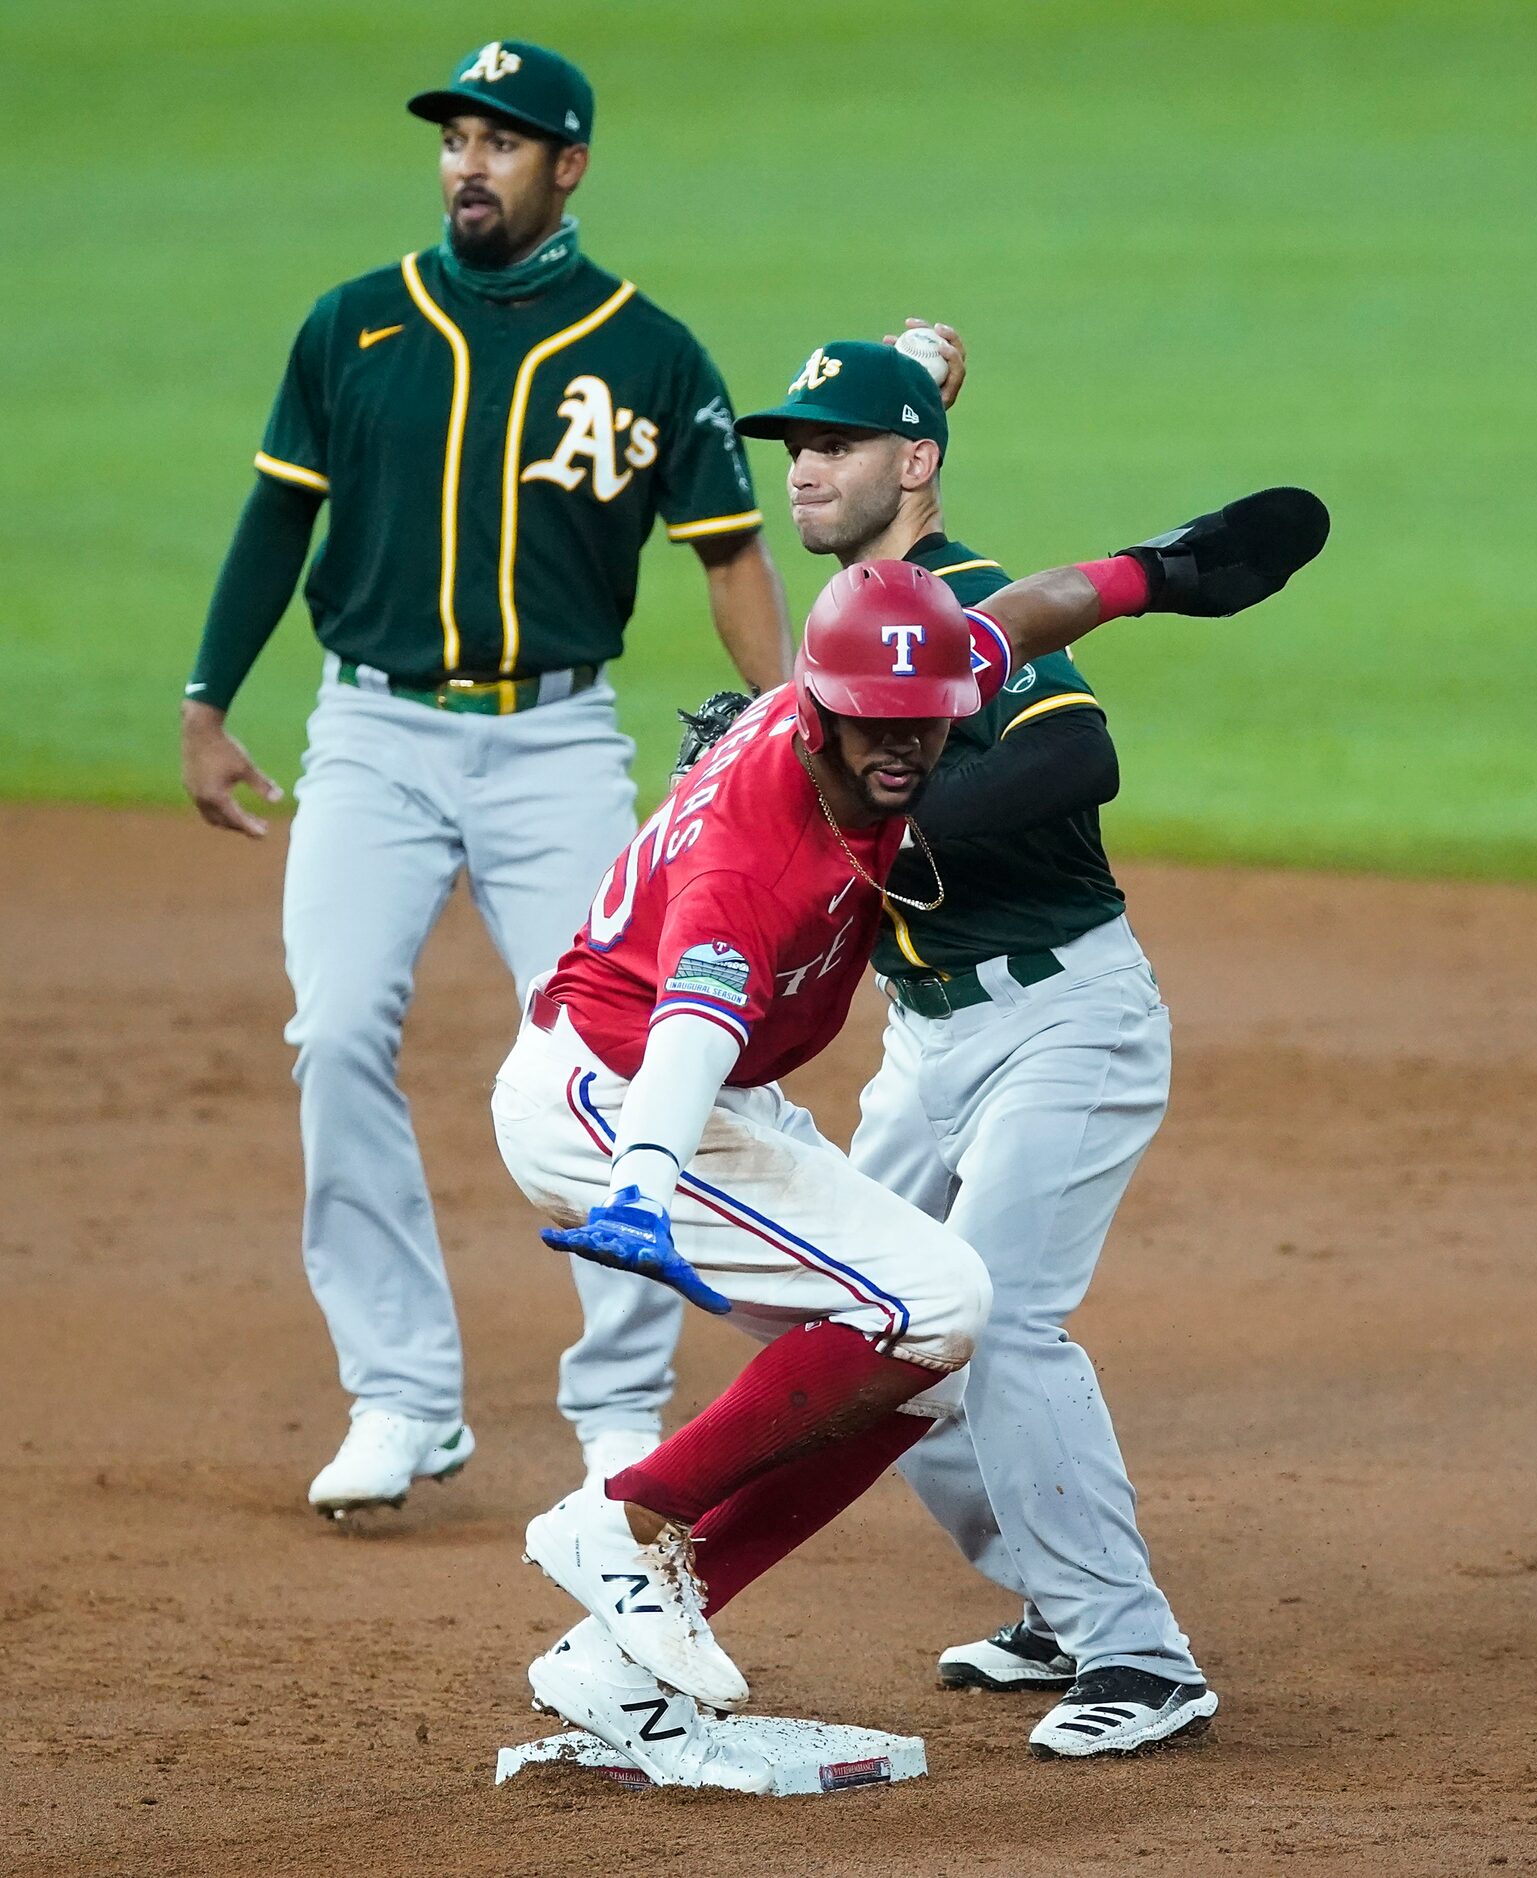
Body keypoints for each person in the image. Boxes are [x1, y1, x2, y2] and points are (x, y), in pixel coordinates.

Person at [493, 474, 1324, 1787]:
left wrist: (1153, 573)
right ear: (809, 711)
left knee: (923, 1340)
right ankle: (628, 1520)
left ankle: (636, 1620)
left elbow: (1031, 616)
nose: (902, 750)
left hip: (828, 1070)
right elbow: (693, 1021)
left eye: (924, 728)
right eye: (870, 729)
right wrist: (644, 1184)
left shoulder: (901, 692)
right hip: (620, 1096)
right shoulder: (753, 859)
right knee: (947, 1307)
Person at [179, 39, 789, 1518]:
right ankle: (400, 1394)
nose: (468, 161)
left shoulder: (652, 352)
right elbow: (278, 530)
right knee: (334, 1032)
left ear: (565, 166)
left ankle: (620, 1403)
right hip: (371, 737)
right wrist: (208, 698)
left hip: (557, 744)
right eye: (455, 136)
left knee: (618, 1055)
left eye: (501, 143)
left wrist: (787, 725)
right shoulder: (354, 326)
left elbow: (729, 554)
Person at [732, 337, 1329, 1756]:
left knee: (996, 1323)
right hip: (925, 1044)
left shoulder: (969, 607)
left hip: (1064, 1020)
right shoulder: (845, 618)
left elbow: (1078, 758)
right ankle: (1059, 1596)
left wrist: (888, 827)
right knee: (854, 1325)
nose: (803, 466)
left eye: (837, 441)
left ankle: (1139, 1656)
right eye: (793, 443)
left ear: (915, 463)